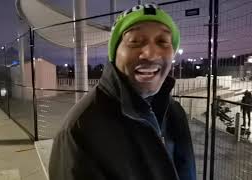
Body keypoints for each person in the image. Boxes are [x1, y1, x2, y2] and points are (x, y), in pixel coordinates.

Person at [49, 3, 196, 180]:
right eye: (135, 41)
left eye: (162, 41)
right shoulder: (79, 131)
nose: (150, 53)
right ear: (114, 53)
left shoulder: (174, 112)